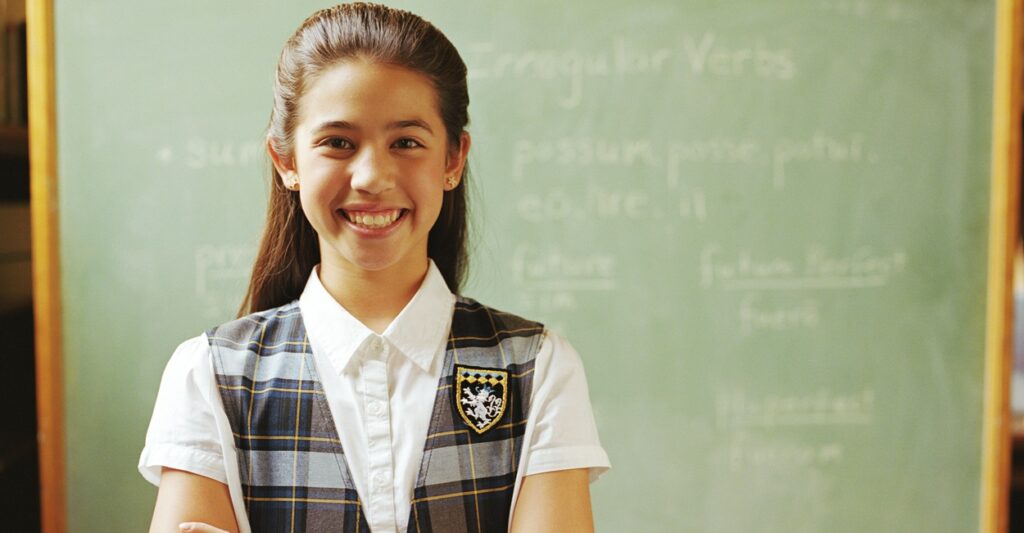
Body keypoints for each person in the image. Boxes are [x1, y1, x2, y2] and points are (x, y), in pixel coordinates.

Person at [139, 3, 610, 532]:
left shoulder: (538, 369)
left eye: (406, 142)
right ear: (287, 162)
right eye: (338, 143)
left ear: (453, 160)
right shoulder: (210, 376)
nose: (371, 176)